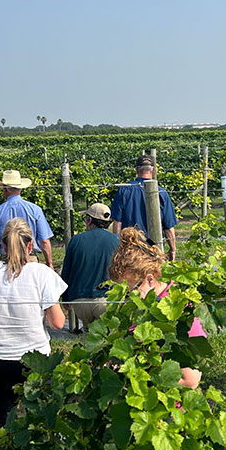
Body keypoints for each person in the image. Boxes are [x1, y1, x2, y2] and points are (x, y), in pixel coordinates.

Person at [0, 218, 66, 437]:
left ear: (2, 245)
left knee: (0, 421)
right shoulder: (42, 273)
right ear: (31, 245)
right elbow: (58, 322)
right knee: (41, 420)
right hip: (32, 361)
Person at [108, 227, 203, 389]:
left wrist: (142, 381)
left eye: (131, 291)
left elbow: (190, 380)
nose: (125, 299)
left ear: (150, 280)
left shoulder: (179, 310)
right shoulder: (139, 308)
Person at [60, 203, 119, 327]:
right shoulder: (116, 241)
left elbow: (66, 271)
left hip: (80, 301)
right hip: (107, 300)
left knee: (89, 335)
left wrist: (65, 297)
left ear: (90, 220)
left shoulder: (76, 240)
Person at [110, 155, 178, 261]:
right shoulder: (161, 192)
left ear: (136, 170)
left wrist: (118, 246)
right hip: (153, 246)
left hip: (131, 245)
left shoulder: (124, 190)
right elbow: (168, 226)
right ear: (153, 170)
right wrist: (172, 249)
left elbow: (117, 222)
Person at [0, 170, 54, 268]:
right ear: (20, 189)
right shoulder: (35, 210)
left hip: (6, 262)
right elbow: (44, 241)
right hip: (30, 259)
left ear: (5, 189)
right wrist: (49, 263)